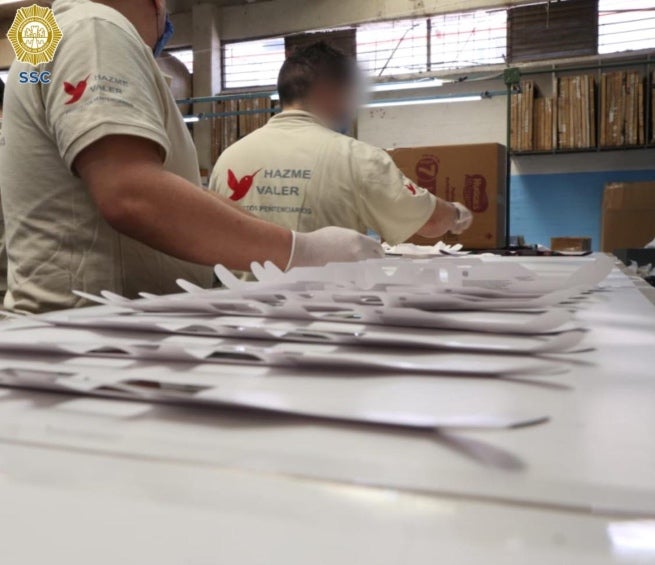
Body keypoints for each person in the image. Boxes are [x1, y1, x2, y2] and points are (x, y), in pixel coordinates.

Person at [0, 1, 382, 314]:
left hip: (86, 327)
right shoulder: (95, 29)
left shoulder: (54, 33)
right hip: (88, 331)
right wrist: (300, 252)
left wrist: (297, 242)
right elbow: (130, 193)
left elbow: (165, 184)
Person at [209, 42, 473, 247]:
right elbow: (430, 221)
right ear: (329, 91)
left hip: (238, 311)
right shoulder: (355, 157)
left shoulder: (228, 159)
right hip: (326, 312)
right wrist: (456, 214)